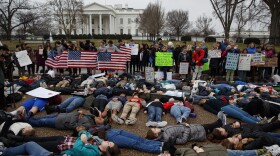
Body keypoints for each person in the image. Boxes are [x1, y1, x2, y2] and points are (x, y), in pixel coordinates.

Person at [146, 111, 226, 144]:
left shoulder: (163, 131)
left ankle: (220, 124)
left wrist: (183, 125)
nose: (156, 127)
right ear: (156, 135)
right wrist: (187, 128)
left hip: (193, 128)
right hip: (196, 133)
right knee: (210, 127)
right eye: (155, 129)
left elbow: (176, 129)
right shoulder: (167, 138)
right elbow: (183, 140)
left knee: (208, 126)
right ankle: (221, 123)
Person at [208, 120, 280, 141]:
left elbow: (234, 122)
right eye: (219, 128)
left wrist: (237, 123)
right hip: (255, 130)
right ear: (222, 133)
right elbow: (248, 133)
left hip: (252, 125)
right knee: (270, 129)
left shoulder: (225, 127)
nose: (220, 127)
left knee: (271, 126)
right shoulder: (233, 136)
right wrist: (240, 127)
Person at [27, 110, 105, 130]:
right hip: (61, 116)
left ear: (98, 124)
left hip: (60, 122)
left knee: (41, 122)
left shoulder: (88, 125)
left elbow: (73, 125)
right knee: (42, 117)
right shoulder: (90, 117)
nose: (100, 118)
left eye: (101, 120)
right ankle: (29, 118)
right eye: (101, 117)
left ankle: (26, 120)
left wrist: (77, 114)